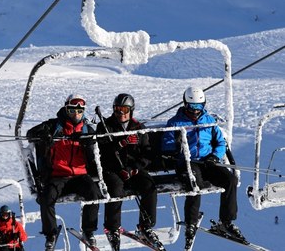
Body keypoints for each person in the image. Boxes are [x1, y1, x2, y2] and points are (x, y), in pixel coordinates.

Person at [162, 87, 246, 249]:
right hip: (187, 163)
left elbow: (221, 143)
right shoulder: (175, 123)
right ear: (185, 104)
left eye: (199, 107)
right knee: (195, 183)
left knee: (230, 179)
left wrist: (214, 156)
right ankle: (191, 222)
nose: (195, 111)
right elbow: (167, 144)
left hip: (207, 162)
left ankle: (226, 221)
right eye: (192, 107)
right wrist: (175, 151)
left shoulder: (209, 121)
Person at [26, 94, 102, 251]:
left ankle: (89, 231)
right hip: (58, 175)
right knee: (46, 198)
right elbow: (30, 134)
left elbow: (94, 155)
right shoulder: (54, 126)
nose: (76, 114)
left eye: (80, 111)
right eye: (72, 110)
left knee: (94, 193)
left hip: (80, 175)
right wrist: (44, 136)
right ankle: (50, 233)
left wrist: (88, 143)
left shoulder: (87, 129)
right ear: (66, 109)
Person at [95, 93, 162, 251]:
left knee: (149, 187)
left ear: (131, 110)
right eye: (118, 109)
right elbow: (101, 151)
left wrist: (134, 169)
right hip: (112, 169)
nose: (121, 113)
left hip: (132, 169)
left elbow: (147, 154)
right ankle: (112, 228)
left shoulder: (138, 128)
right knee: (116, 189)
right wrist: (121, 143)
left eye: (125, 109)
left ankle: (145, 226)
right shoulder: (105, 126)